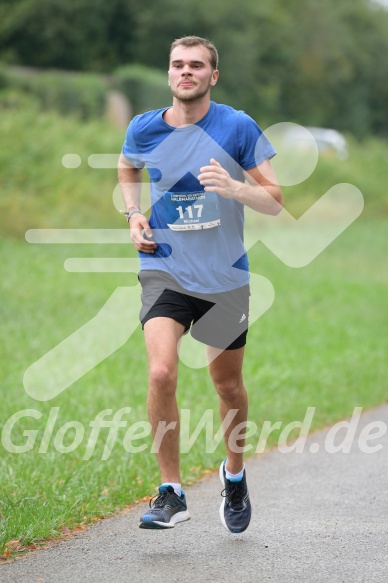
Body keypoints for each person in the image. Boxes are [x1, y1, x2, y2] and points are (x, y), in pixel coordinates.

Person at [118, 35, 283, 533]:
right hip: (164, 267)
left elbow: (274, 198)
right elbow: (128, 165)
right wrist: (132, 214)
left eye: (196, 65)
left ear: (213, 75)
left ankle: (234, 474)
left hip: (224, 276)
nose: (185, 71)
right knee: (161, 373)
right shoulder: (145, 127)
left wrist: (235, 187)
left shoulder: (236, 126)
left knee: (227, 386)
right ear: (168, 74)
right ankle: (171, 491)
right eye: (177, 65)